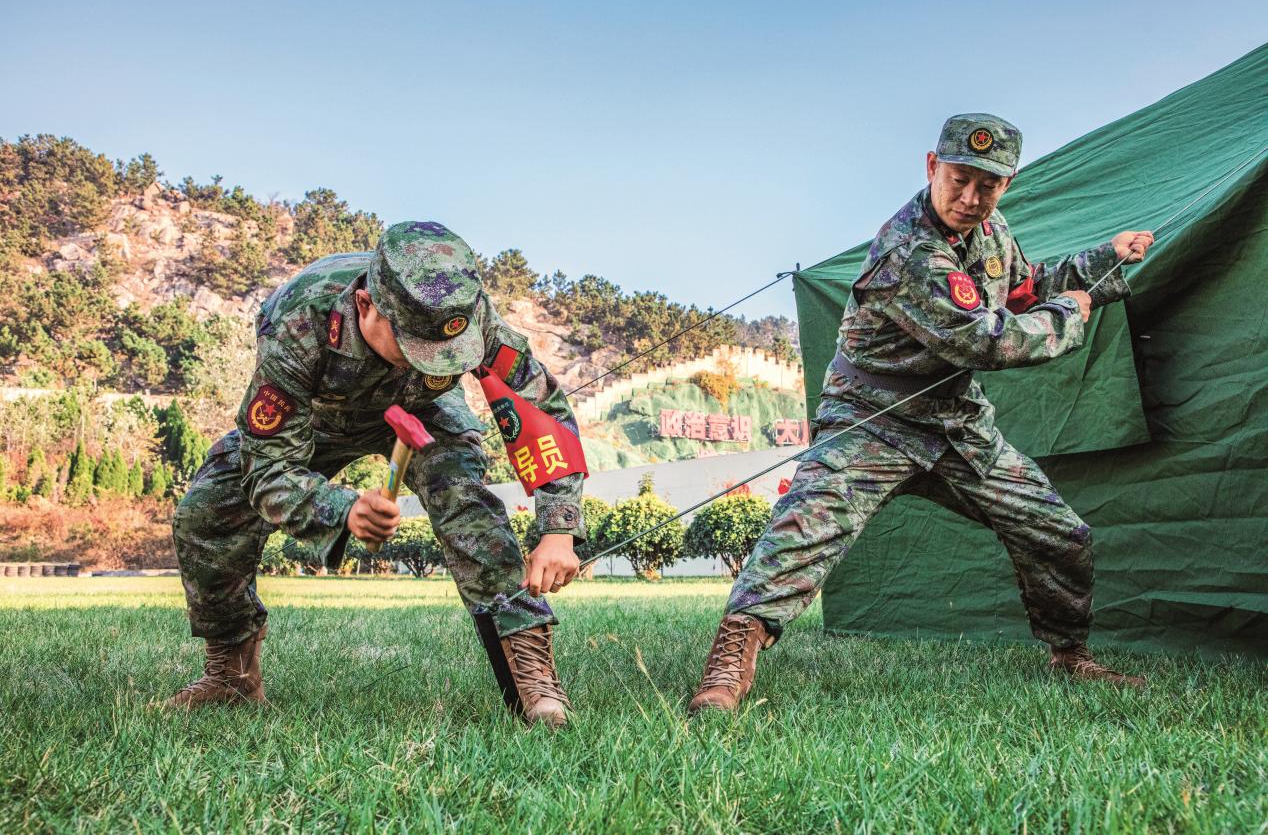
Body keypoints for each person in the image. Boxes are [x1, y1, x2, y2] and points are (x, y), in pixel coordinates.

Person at [689, 114, 1155, 714]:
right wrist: (1072, 311)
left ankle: (1070, 656)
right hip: (871, 418)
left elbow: (1022, 291)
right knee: (805, 531)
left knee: (1058, 532)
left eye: (987, 186)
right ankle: (728, 667)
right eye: (959, 179)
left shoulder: (991, 233)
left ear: (1006, 184)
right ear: (932, 167)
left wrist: (1101, 261)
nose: (969, 198)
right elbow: (988, 341)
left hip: (956, 421)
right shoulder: (909, 249)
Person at [162, 221, 584, 727]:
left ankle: (532, 681)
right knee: (205, 514)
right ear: (366, 306)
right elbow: (269, 466)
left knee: (468, 504)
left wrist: (559, 528)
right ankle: (231, 675)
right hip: (315, 419)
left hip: (423, 413)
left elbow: (542, 407)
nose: (426, 360)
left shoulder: (468, 314)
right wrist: (341, 510)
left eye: (444, 353)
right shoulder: (302, 320)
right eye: (413, 346)